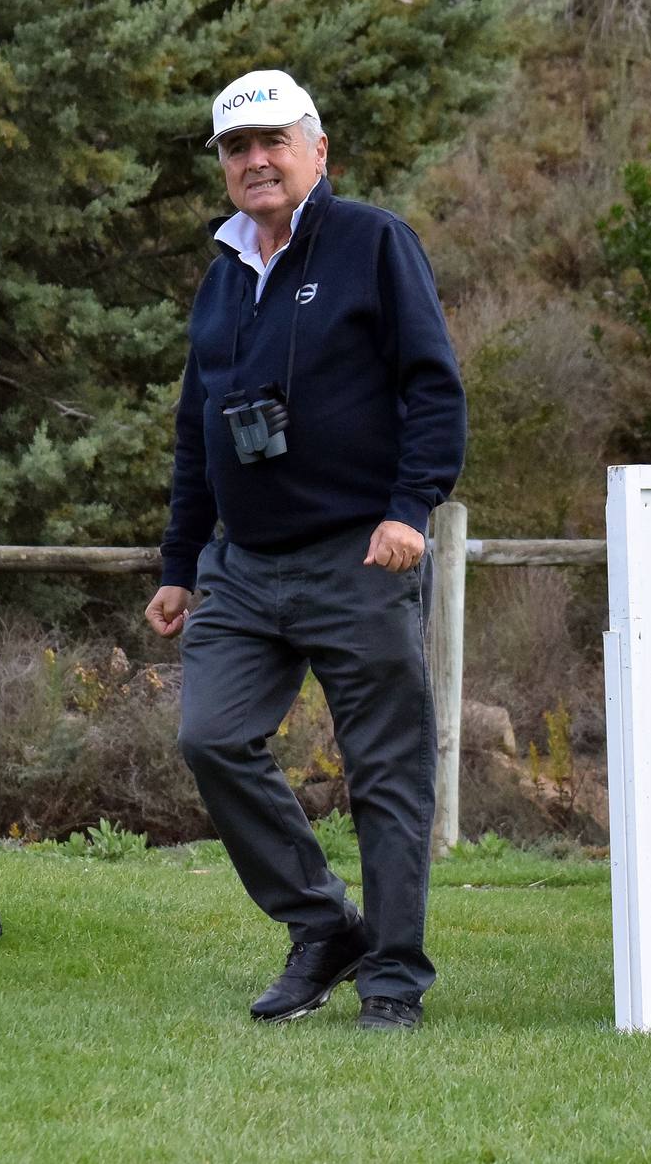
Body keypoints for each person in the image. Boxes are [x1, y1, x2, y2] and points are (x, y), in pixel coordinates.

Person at [143, 69, 466, 1033]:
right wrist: (176, 562)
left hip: (360, 555)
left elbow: (432, 387)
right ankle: (322, 924)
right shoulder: (220, 275)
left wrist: (411, 508)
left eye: (272, 141)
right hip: (240, 567)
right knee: (210, 736)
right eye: (236, 148)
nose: (255, 160)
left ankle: (393, 980)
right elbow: (199, 427)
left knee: (384, 771)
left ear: (315, 149)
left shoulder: (371, 242)